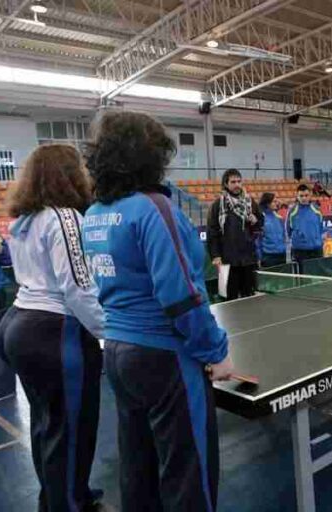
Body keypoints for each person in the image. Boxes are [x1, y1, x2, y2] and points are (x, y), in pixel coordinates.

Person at [82, 111, 238, 512]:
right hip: (164, 355)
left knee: (138, 467)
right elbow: (181, 297)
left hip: (117, 352)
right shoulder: (154, 207)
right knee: (188, 471)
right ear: (149, 156)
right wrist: (216, 351)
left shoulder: (95, 214)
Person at [0, 144, 105, 511]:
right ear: (68, 174)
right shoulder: (64, 217)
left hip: (18, 324)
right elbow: (76, 285)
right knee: (73, 427)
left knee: (47, 423)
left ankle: (63, 495)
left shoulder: (23, 218)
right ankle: (69, 504)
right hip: (53, 331)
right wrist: (107, 330)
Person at [207, 169, 264, 299]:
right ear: (226, 184)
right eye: (233, 182)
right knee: (229, 298)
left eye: (239, 181)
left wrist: (256, 220)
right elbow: (212, 232)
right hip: (227, 260)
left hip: (248, 259)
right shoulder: (218, 205)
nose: (237, 184)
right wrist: (215, 255)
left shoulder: (250, 202)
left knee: (249, 297)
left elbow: (260, 222)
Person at [287, 184, 324, 264]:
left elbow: (321, 227)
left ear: (310, 195)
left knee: (317, 275)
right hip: (299, 250)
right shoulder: (292, 211)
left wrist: (317, 240)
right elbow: (288, 230)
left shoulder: (317, 210)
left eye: (306, 195)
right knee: (301, 275)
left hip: (316, 249)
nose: (304, 198)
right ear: (297, 196)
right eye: (301, 196)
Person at [259, 192, 287, 268]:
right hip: (268, 257)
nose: (277, 203)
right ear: (267, 203)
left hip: (282, 255)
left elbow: (283, 236)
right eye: (274, 201)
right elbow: (258, 240)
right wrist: (259, 258)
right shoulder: (261, 218)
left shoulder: (280, 218)